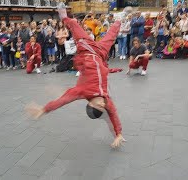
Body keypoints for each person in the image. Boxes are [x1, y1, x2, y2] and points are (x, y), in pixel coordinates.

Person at [26, 3, 125, 148]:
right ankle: (120, 18)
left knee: (74, 24)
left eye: (99, 106)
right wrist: (118, 134)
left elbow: (62, 101)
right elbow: (114, 116)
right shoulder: (106, 100)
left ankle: (64, 16)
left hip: (86, 48)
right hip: (100, 53)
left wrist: (43, 110)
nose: (103, 104)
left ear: (90, 104)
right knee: (112, 34)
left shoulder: (82, 91)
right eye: (103, 107)